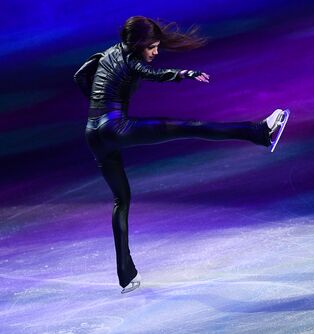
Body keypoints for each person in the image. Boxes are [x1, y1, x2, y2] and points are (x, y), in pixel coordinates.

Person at [74, 16, 289, 294]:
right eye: (151, 47)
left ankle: (126, 276)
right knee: (190, 127)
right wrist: (183, 74)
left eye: (157, 46)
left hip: (93, 133)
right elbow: (151, 73)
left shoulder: (104, 55)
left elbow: (79, 75)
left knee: (121, 200)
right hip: (116, 128)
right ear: (137, 44)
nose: (155, 52)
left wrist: (95, 102)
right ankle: (260, 133)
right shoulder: (130, 59)